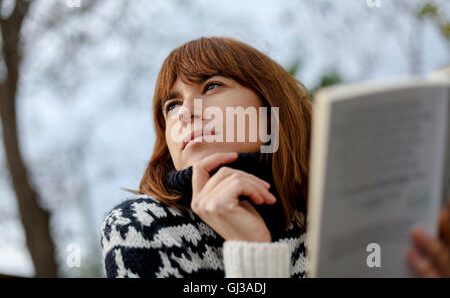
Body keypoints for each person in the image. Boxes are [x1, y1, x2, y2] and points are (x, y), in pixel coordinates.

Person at [100, 36, 450, 278]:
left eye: (211, 86)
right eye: (172, 105)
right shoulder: (143, 228)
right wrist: (253, 256)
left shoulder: (334, 223)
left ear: (269, 109)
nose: (185, 112)